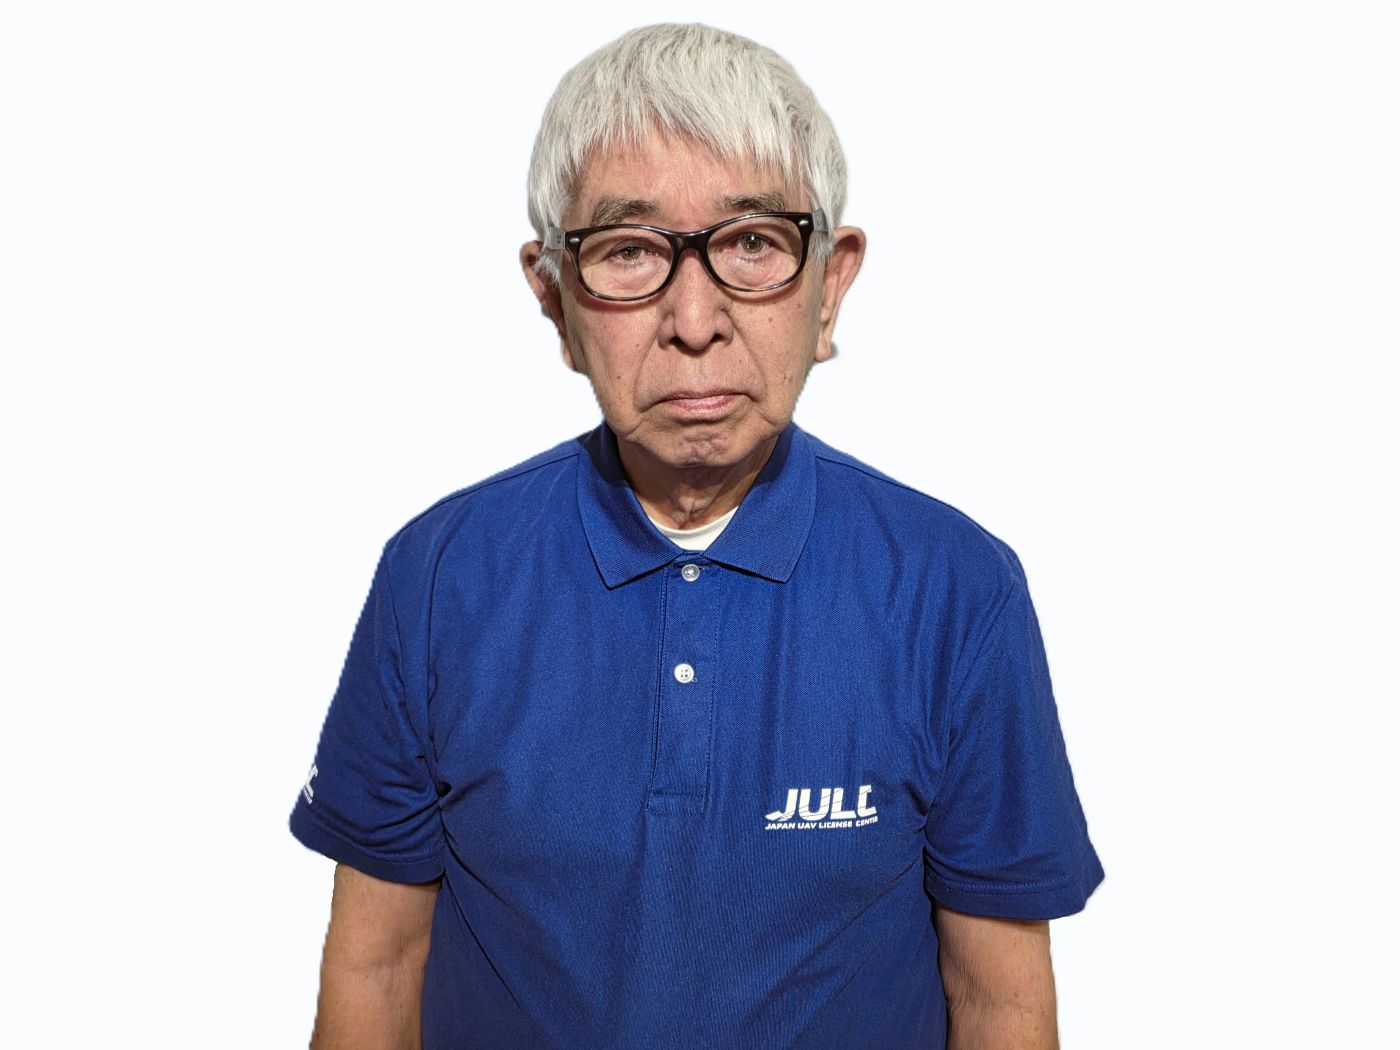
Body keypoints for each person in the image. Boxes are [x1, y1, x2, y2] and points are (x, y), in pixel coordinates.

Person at [291, 22, 1103, 1050]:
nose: (692, 319)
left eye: (752, 243)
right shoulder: (439, 577)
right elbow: (376, 967)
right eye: (629, 252)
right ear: (554, 299)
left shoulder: (954, 591)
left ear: (829, 283)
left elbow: (1000, 1000)